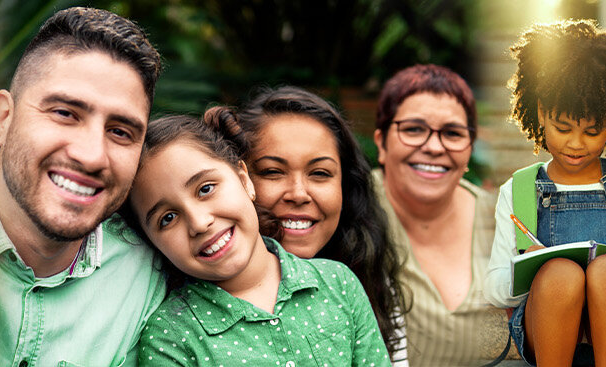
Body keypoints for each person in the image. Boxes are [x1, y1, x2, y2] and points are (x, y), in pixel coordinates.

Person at [0, 7, 166, 366]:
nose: (92, 157)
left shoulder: (152, 276)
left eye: (121, 132)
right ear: (3, 120)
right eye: (64, 113)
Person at [484, 19, 606, 367]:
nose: (575, 144)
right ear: (541, 113)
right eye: (562, 128)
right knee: (559, 273)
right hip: (545, 329)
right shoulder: (519, 189)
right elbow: (494, 287)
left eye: (591, 131)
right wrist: (529, 267)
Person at [126, 113, 390, 366]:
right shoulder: (169, 335)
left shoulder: (337, 283)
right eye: (168, 218)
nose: (199, 222)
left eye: (205, 189)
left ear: (244, 181)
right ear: (151, 240)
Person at [220, 87, 409, 365]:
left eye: (320, 174)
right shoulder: (189, 311)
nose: (298, 193)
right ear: (239, 178)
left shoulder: (370, 283)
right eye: (273, 172)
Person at [371, 64, 506, 365]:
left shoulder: (500, 217)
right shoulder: (352, 207)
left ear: (470, 149)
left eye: (452, 133)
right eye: (414, 129)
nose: (433, 147)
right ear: (381, 143)